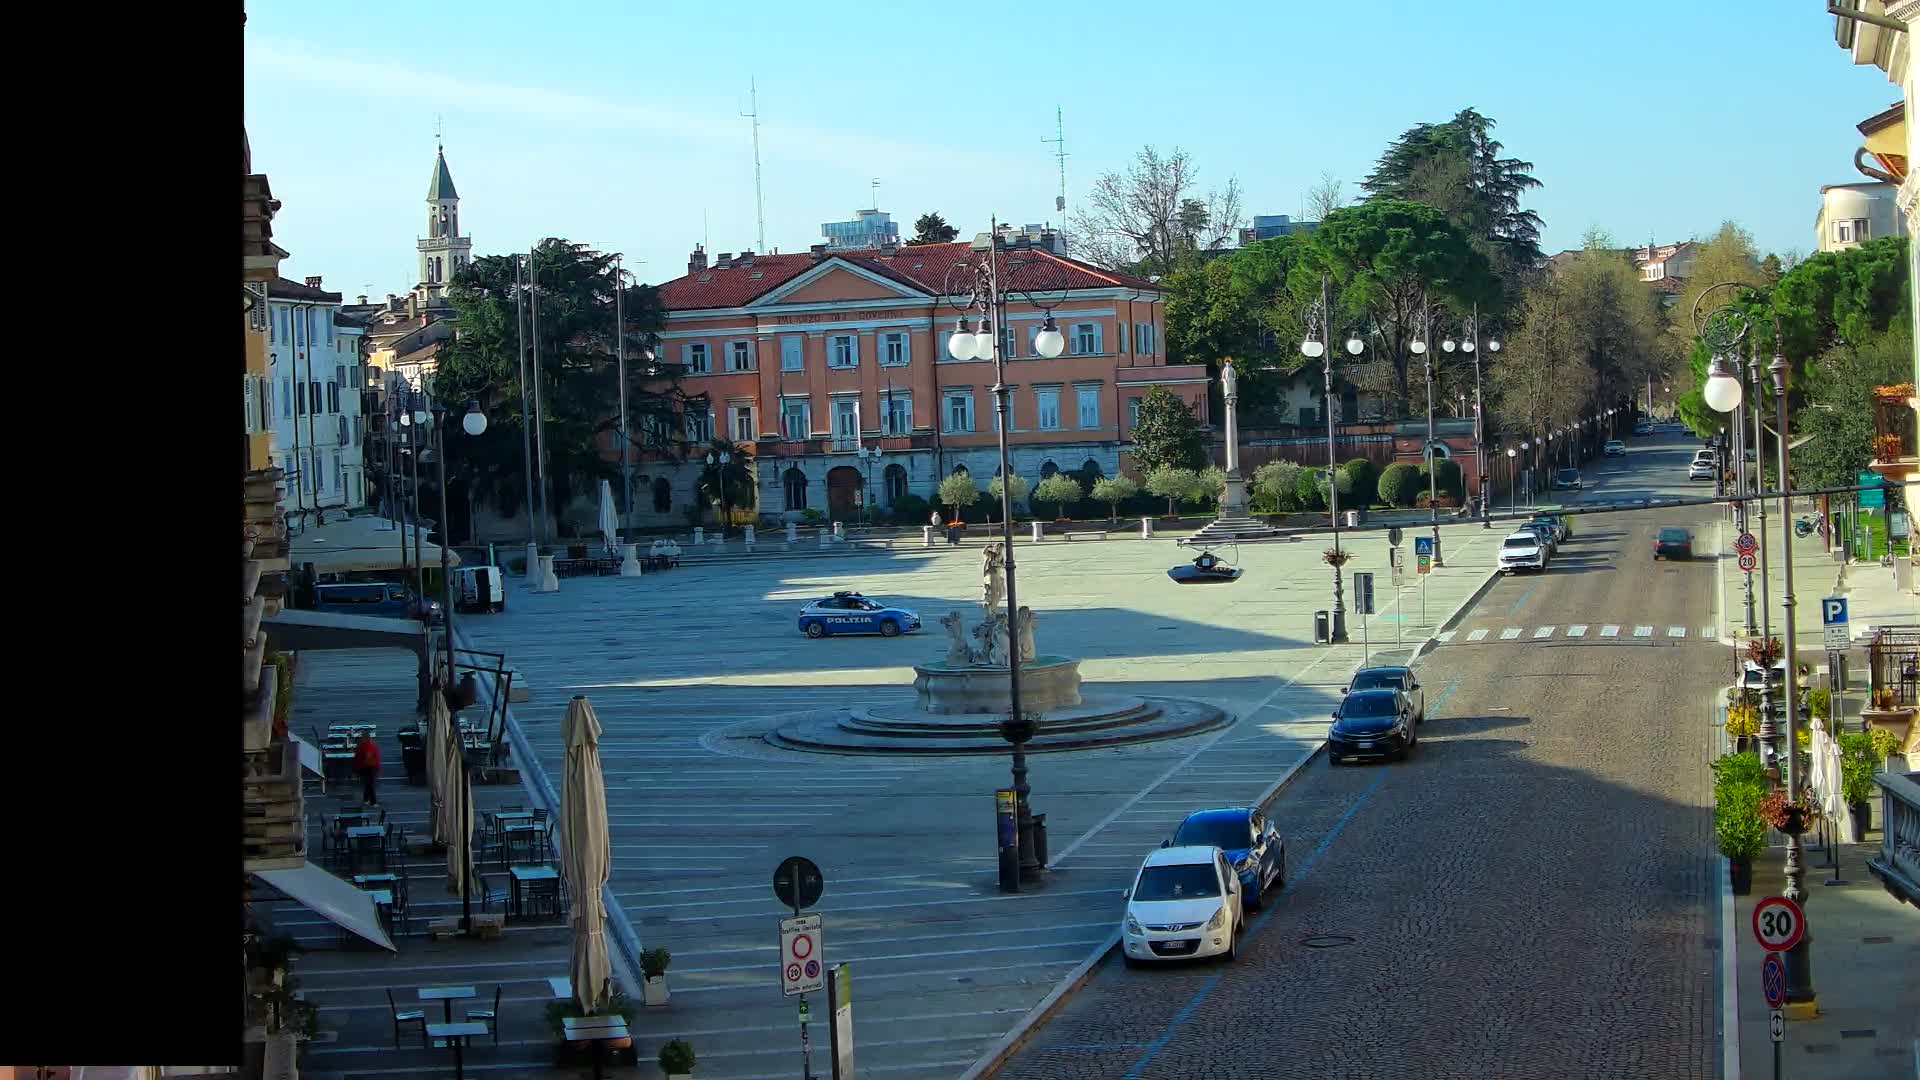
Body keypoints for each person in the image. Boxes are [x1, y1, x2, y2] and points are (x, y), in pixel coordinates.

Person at [354, 733, 382, 806]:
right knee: (370, 784)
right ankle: (373, 801)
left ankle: (366, 799)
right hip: (370, 767)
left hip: (366, 767)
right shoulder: (369, 746)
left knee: (368, 784)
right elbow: (369, 758)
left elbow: (358, 757)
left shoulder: (362, 746)